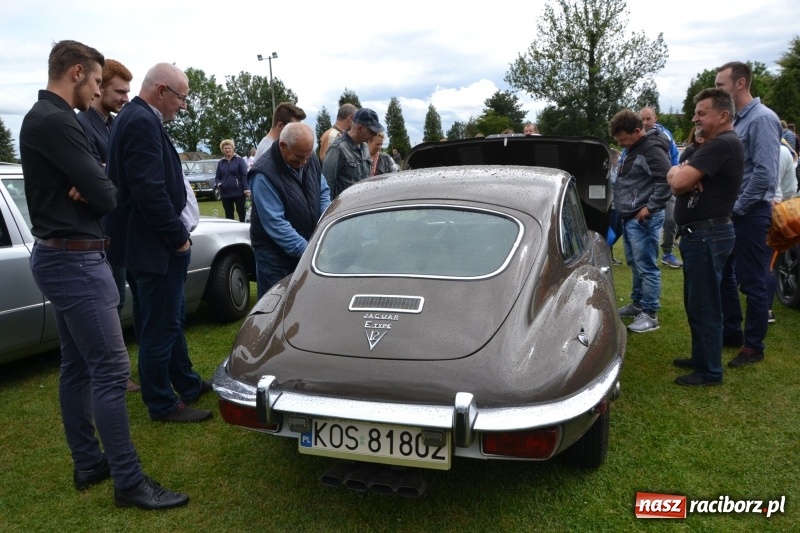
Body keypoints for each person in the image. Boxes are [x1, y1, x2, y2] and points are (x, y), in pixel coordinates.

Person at [20, 40, 188, 510]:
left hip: (67, 254)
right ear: (76, 73)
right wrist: (96, 181)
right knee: (112, 371)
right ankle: (129, 482)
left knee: (77, 366)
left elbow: (99, 184)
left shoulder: (45, 120)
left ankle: (90, 461)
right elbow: (111, 194)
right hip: (75, 259)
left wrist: (94, 179)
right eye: (96, 81)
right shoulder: (56, 120)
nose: (97, 91)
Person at [106, 63, 212, 423]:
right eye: (181, 98)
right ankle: (162, 403)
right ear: (162, 90)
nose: (183, 106)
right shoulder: (139, 121)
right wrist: (178, 238)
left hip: (147, 246)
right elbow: (148, 191)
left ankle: (186, 381)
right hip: (154, 248)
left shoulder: (137, 117)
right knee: (159, 326)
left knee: (169, 318)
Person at [667, 88, 743, 386]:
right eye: (695, 112)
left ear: (723, 115)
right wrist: (681, 169)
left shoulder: (723, 143)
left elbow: (678, 183)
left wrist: (682, 174)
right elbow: (677, 171)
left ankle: (709, 370)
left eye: (702, 113)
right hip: (703, 234)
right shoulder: (712, 145)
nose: (695, 117)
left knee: (705, 304)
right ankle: (702, 358)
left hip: (707, 234)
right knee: (697, 301)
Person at [75, 58, 139, 393]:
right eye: (119, 91)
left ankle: (118, 366)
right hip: (98, 230)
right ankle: (114, 371)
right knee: (108, 302)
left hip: (119, 227)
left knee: (119, 298)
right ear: (100, 88)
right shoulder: (83, 125)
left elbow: (106, 171)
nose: (125, 97)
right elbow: (90, 175)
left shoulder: (115, 124)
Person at [715, 61, 782, 367]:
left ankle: (754, 346)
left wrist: (737, 207)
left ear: (739, 84)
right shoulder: (739, 121)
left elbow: (765, 175)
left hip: (751, 213)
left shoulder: (762, 119)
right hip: (734, 212)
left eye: (720, 85)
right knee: (724, 275)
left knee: (752, 280)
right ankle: (732, 332)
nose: (717, 91)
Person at [248, 123, 331, 298]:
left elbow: (322, 191)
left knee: (303, 303)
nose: (304, 163)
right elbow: (275, 223)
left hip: (305, 247)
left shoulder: (309, 158)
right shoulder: (263, 174)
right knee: (276, 310)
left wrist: (324, 222)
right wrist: (310, 252)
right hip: (274, 258)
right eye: (299, 157)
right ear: (283, 146)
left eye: (308, 156)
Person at [609, 109, 671, 333]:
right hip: (631, 217)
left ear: (637, 131)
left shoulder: (651, 149)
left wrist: (650, 208)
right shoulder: (633, 149)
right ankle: (637, 304)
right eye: (618, 140)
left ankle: (650, 314)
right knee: (635, 264)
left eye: (623, 139)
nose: (621, 143)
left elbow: (667, 180)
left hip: (643, 219)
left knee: (647, 266)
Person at [639, 106, 683, 269]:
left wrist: (674, 176)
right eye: (642, 119)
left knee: (671, 220)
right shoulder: (636, 136)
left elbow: (674, 158)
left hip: (667, 184)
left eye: (648, 118)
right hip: (646, 187)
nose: (645, 122)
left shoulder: (666, 135)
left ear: (655, 118)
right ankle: (644, 255)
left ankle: (667, 254)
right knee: (644, 221)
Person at [322, 108, 384, 199]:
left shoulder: (365, 147)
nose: (375, 135)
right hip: (344, 210)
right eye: (372, 131)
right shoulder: (337, 149)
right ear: (359, 128)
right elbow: (327, 186)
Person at [216, 139, 250, 222]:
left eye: (229, 148)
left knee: (242, 213)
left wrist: (246, 189)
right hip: (225, 193)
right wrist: (220, 184)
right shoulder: (221, 162)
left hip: (239, 191)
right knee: (228, 215)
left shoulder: (240, 160)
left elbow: (244, 175)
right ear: (222, 150)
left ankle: (243, 229)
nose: (227, 150)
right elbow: (217, 177)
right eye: (225, 148)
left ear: (232, 148)